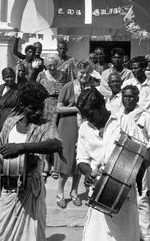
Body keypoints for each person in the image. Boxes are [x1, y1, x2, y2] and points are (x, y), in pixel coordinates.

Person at [76, 87, 148, 241]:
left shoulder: (124, 122)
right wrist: (88, 173)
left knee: (124, 236)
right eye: (85, 116)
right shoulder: (84, 129)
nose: (88, 119)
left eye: (90, 114)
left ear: (102, 106)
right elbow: (81, 160)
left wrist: (134, 173)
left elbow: (144, 154)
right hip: (97, 194)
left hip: (124, 195)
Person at [0, 82, 62, 241]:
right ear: (22, 106)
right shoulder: (10, 123)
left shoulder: (46, 125)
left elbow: (56, 144)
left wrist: (22, 147)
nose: (39, 112)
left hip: (31, 186)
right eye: (33, 108)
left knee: (30, 233)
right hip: (8, 187)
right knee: (5, 231)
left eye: (41, 107)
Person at [119, 85, 150, 241]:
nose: (128, 99)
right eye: (125, 96)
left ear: (137, 98)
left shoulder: (144, 116)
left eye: (131, 96)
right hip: (123, 161)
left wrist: (146, 151)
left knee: (141, 199)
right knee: (125, 199)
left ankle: (147, 236)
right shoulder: (118, 115)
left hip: (140, 161)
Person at [54, 59, 94, 209]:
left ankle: (74, 192)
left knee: (81, 160)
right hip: (68, 126)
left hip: (85, 126)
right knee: (67, 159)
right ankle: (60, 193)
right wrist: (76, 109)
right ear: (76, 72)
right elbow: (59, 108)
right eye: (81, 72)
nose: (84, 75)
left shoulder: (90, 88)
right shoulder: (68, 87)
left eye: (87, 73)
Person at [36, 53, 68, 180]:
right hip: (45, 109)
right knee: (46, 136)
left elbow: (69, 90)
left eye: (54, 65)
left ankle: (56, 166)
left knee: (58, 136)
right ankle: (45, 165)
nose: (52, 68)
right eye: (49, 66)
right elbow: (37, 91)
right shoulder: (41, 75)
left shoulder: (64, 76)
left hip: (61, 109)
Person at [122, 56, 150, 122]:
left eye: (135, 68)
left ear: (143, 68)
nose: (133, 71)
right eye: (132, 68)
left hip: (148, 122)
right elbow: (121, 102)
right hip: (131, 121)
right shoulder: (127, 83)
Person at [0, 68, 20, 141]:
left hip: (12, 121)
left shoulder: (19, 89)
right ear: (3, 78)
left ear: (14, 76)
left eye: (11, 76)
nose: (9, 79)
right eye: (7, 77)